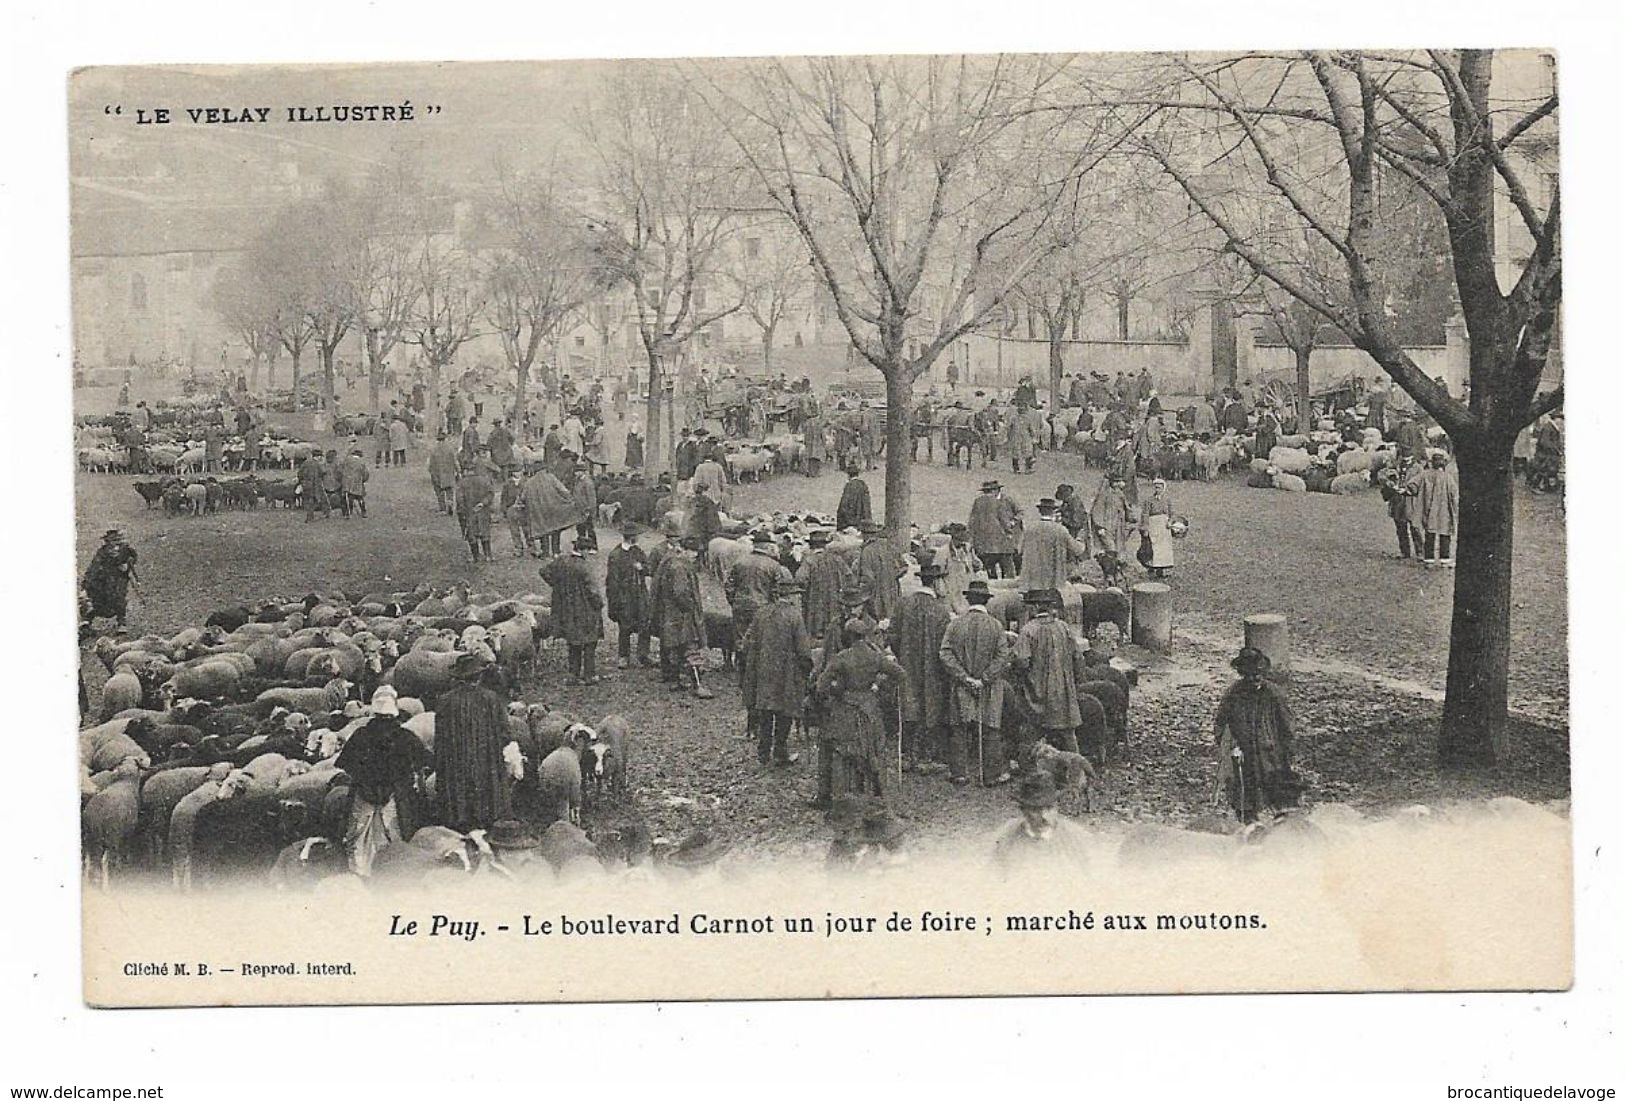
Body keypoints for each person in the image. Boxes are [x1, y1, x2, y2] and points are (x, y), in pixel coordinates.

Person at [334, 686, 431, 876]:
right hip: (394, 798)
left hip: (363, 797)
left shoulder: (361, 735)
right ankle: (389, 874)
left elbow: (346, 765)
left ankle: (361, 875)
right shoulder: (405, 737)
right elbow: (423, 760)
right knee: (392, 834)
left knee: (359, 838)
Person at [815, 616, 905, 803]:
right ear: (864, 636)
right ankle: (877, 793)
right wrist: (879, 686)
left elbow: (821, 686)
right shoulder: (876, 656)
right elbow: (900, 674)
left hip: (845, 710)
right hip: (870, 709)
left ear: (848, 636)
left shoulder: (841, 658)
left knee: (840, 750)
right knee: (872, 751)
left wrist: (836, 690)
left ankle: (834, 795)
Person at [1213, 647, 1302, 824]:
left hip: (1270, 754)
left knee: (1277, 793)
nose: (1256, 678)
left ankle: (1281, 824)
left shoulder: (1274, 694)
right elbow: (1221, 723)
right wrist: (1231, 746)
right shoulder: (1233, 694)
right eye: (1251, 674)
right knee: (1245, 795)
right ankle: (1250, 824)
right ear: (1243, 674)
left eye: (1259, 673)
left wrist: (1288, 751)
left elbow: (1287, 726)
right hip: (1244, 755)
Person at [938, 579, 1012, 786]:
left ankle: (959, 774)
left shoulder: (955, 624)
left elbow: (945, 654)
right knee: (990, 728)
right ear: (986, 602)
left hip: (962, 685)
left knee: (959, 728)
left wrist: (965, 677)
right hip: (989, 687)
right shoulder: (997, 626)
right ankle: (991, 775)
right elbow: (1002, 657)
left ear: (968, 599)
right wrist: (984, 678)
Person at [433, 653, 513, 832]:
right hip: (486, 760)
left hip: (456, 761)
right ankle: (485, 826)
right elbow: (506, 733)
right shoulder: (492, 699)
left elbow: (439, 738)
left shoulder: (445, 701)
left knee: (459, 795)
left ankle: (460, 825)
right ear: (479, 676)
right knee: (486, 795)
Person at [740, 576, 813, 768]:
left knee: (765, 712)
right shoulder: (794, 616)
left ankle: (763, 752)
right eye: (797, 595)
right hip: (786, 675)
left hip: (763, 673)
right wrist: (806, 671)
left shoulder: (761, 613)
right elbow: (803, 650)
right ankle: (780, 752)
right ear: (790, 596)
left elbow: (747, 643)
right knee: (785, 713)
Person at [1009, 589, 1089, 762]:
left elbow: (1022, 661)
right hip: (1063, 691)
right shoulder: (1063, 627)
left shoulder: (1029, 630)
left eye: (1029, 607)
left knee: (1031, 732)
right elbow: (1078, 656)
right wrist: (1077, 683)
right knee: (1068, 734)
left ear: (1036, 607)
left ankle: (1029, 768)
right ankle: (1077, 767)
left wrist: (1016, 672)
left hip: (1038, 691)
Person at [889, 561, 952, 774]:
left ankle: (907, 754)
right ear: (936, 583)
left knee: (908, 707)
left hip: (907, 665)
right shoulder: (941, 611)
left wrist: (902, 655)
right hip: (933, 667)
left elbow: (893, 636)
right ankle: (926, 756)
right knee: (931, 707)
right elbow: (946, 645)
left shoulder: (903, 604)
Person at [991, 771, 1092, 874]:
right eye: (1036, 810)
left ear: (1057, 806)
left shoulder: (1077, 839)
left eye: (1049, 808)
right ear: (1023, 810)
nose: (1044, 816)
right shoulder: (1006, 840)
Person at [652, 536, 713, 698]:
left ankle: (676, 680)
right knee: (690, 647)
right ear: (684, 550)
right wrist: (691, 607)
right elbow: (680, 593)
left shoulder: (673, 563)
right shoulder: (680, 567)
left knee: (676, 648)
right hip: (682, 616)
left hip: (671, 615)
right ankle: (697, 685)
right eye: (692, 552)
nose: (695, 555)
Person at [540, 546, 605, 685]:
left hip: (566, 609)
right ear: (583, 550)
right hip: (584, 608)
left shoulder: (561, 561)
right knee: (590, 641)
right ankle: (589, 675)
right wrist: (598, 604)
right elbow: (592, 590)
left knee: (573, 641)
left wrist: (557, 586)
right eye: (587, 550)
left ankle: (573, 674)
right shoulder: (584, 566)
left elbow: (544, 571)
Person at [726, 532, 792, 667]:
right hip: (763, 607)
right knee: (761, 637)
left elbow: (729, 585)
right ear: (767, 546)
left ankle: (741, 665)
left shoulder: (740, 562)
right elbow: (777, 590)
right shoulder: (774, 565)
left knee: (741, 636)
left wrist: (734, 601)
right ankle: (757, 668)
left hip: (741, 605)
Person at [605, 522, 654, 669]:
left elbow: (649, 569)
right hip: (625, 596)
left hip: (640, 595)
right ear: (630, 537)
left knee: (645, 625)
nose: (638, 538)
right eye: (636, 536)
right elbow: (612, 581)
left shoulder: (638, 551)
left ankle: (643, 655)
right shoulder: (616, 555)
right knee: (625, 626)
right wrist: (615, 601)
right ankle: (623, 656)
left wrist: (642, 568)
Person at [1019, 497, 1089, 592]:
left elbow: (1020, 550)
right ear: (1053, 512)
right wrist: (1080, 538)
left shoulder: (1029, 528)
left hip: (1031, 583)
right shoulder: (1060, 530)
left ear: (1040, 511)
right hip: (1054, 583)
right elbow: (1078, 550)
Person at [800, 529, 854, 643]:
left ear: (811, 546)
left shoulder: (809, 561)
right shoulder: (837, 559)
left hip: (814, 604)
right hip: (835, 603)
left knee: (816, 635)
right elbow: (849, 576)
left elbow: (801, 580)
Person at [82, 529, 139, 628]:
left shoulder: (126, 550)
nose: (114, 545)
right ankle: (87, 621)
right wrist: (87, 583)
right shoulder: (102, 552)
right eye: (111, 541)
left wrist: (127, 565)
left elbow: (133, 557)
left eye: (117, 541)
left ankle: (121, 623)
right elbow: (94, 567)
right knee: (94, 598)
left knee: (119, 598)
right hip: (102, 581)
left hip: (118, 580)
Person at [1413, 451, 1459, 567]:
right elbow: (1454, 494)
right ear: (1443, 464)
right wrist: (1455, 508)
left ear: (1432, 463)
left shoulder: (1424, 475)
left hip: (1429, 510)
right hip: (1444, 511)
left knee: (1430, 534)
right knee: (1445, 534)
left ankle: (1429, 560)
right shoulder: (1448, 477)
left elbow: (1412, 485)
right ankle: (1445, 560)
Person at [969, 480, 1021, 579]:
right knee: (1008, 571)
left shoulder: (978, 502)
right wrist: (1009, 532)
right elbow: (1003, 519)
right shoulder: (997, 502)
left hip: (985, 544)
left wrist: (974, 540)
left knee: (990, 572)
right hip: (1001, 543)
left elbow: (972, 522)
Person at [1089, 473, 1135, 586]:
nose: (1119, 484)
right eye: (1117, 481)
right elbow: (1096, 511)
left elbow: (1126, 508)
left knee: (1118, 552)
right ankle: (1109, 575)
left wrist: (1131, 519)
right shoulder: (1104, 494)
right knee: (1110, 551)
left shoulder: (1120, 494)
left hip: (1118, 527)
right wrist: (1099, 526)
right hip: (1107, 526)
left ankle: (1115, 575)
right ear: (1112, 483)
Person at [522, 463, 576, 558]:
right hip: (553, 508)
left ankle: (545, 552)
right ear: (544, 469)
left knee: (543, 531)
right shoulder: (551, 478)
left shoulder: (529, 482)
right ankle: (556, 552)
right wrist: (568, 500)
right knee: (555, 529)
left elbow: (523, 497)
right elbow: (564, 491)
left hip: (539, 510)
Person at [856, 520, 901, 625]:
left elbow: (868, 579)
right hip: (892, 592)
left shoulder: (867, 551)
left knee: (875, 624)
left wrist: (861, 597)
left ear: (864, 534)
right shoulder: (889, 547)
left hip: (875, 596)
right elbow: (903, 568)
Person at [1378, 460, 1420, 560]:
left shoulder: (1417, 468)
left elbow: (1420, 483)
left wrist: (1409, 489)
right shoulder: (1395, 465)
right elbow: (1382, 476)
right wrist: (1388, 483)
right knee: (1400, 527)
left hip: (1411, 501)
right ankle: (1405, 552)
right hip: (1397, 501)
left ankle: (1420, 552)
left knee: (1415, 527)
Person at [455, 462, 496, 563]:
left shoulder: (462, 483)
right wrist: (483, 503)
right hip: (483, 511)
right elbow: (491, 494)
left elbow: (459, 500)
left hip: (469, 512)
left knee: (471, 535)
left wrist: (462, 512)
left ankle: (476, 556)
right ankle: (488, 555)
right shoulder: (484, 480)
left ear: (466, 471)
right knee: (485, 533)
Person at [1139, 476, 1175, 577]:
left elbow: (1172, 513)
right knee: (1153, 546)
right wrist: (1145, 527)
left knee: (1163, 547)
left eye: (1159, 487)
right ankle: (1152, 567)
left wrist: (1170, 522)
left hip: (1164, 526)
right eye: (1156, 487)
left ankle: (1161, 569)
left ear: (1163, 488)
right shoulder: (1149, 500)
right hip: (1153, 524)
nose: (1157, 489)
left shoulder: (1167, 499)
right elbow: (1145, 514)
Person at [428, 432, 459, 515]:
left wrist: (431, 472)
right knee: (449, 490)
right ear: (445, 439)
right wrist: (458, 471)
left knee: (439, 491)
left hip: (438, 473)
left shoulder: (434, 449)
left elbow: (430, 463)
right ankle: (450, 503)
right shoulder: (450, 448)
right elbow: (455, 461)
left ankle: (442, 508)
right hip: (449, 473)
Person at [501, 469, 530, 557]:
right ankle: (518, 548)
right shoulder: (507, 484)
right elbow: (503, 498)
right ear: (512, 472)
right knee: (514, 530)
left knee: (527, 529)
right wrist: (504, 510)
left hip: (524, 509)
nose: (518, 473)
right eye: (516, 471)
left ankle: (531, 548)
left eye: (519, 471)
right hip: (511, 508)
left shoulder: (527, 482)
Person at [570, 464, 599, 553]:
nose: (575, 473)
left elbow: (591, 498)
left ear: (582, 472)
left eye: (577, 471)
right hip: (579, 510)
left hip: (586, 510)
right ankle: (582, 546)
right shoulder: (578, 481)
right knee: (580, 529)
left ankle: (593, 547)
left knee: (589, 529)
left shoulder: (587, 482)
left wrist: (589, 510)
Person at [835, 465, 872, 532]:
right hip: (862, 519)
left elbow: (844, 504)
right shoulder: (863, 484)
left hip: (851, 519)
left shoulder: (849, 485)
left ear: (849, 475)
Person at [298, 449, 328, 522]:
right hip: (315, 485)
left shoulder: (305, 463)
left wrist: (302, 481)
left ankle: (310, 516)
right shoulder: (318, 464)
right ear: (318, 456)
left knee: (308, 500)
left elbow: (299, 473)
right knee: (318, 499)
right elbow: (323, 472)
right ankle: (313, 516)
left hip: (306, 484)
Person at [1006, 403, 1036, 475]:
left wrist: (1009, 436)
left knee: (1017, 452)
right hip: (1024, 437)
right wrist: (1033, 436)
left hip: (1018, 436)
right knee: (1026, 452)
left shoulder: (1014, 418)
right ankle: (1027, 468)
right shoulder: (1027, 418)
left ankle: (1017, 469)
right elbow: (1031, 429)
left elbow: (1009, 428)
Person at [340, 448, 369, 518]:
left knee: (349, 497)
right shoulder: (361, 463)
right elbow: (365, 474)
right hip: (357, 483)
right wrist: (363, 480)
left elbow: (341, 470)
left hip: (348, 482)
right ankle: (363, 512)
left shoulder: (347, 461)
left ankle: (349, 512)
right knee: (360, 498)